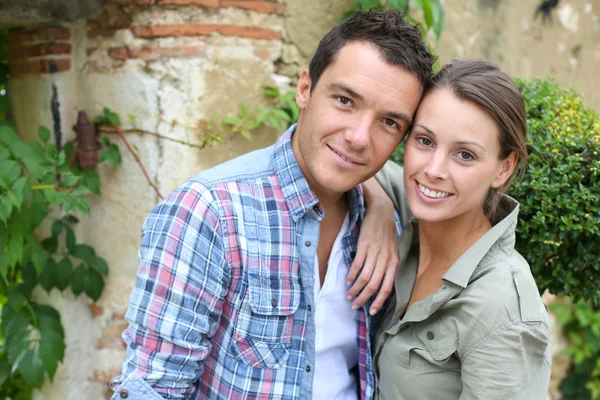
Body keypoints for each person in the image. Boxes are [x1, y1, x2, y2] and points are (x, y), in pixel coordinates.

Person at [109, 10, 435, 400]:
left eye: (389, 123)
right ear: (304, 89)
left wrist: (380, 206)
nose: (359, 137)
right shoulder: (210, 212)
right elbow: (155, 389)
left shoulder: (395, 218)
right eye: (345, 100)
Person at [368, 59, 552, 399]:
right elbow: (348, 162)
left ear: (504, 168)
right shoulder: (413, 207)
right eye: (424, 141)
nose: (433, 170)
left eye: (464, 155)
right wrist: (378, 205)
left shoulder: (502, 309)